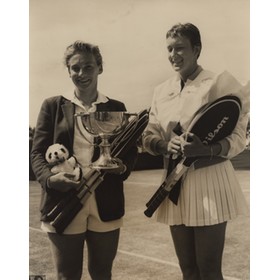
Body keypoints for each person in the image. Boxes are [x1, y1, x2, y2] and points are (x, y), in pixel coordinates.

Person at [142, 23, 249, 280]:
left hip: (209, 180)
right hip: (173, 184)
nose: (173, 55)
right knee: (188, 270)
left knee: (209, 270)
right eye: (169, 49)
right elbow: (148, 134)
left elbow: (238, 139)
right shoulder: (161, 90)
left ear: (197, 49)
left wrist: (207, 149)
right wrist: (163, 145)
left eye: (180, 48)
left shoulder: (219, 84)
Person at [31, 41, 138, 280]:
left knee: (102, 273)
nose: (82, 74)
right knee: (67, 276)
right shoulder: (52, 106)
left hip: (105, 199)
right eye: (75, 68)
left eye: (88, 67)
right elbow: (37, 153)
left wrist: (122, 167)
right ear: (68, 70)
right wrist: (50, 179)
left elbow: (129, 151)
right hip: (63, 200)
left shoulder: (116, 108)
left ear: (100, 68)